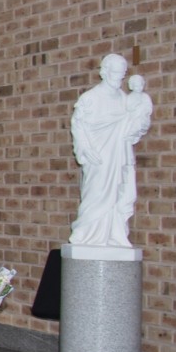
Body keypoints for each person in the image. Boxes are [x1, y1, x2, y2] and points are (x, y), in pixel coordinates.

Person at [69, 54, 153, 247]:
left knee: (122, 195)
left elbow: (132, 126)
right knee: (97, 194)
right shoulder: (90, 98)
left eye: (122, 73)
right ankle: (85, 233)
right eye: (116, 72)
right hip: (99, 157)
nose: (120, 77)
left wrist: (140, 118)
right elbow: (78, 125)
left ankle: (115, 234)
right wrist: (85, 147)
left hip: (119, 155)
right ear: (105, 72)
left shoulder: (125, 99)